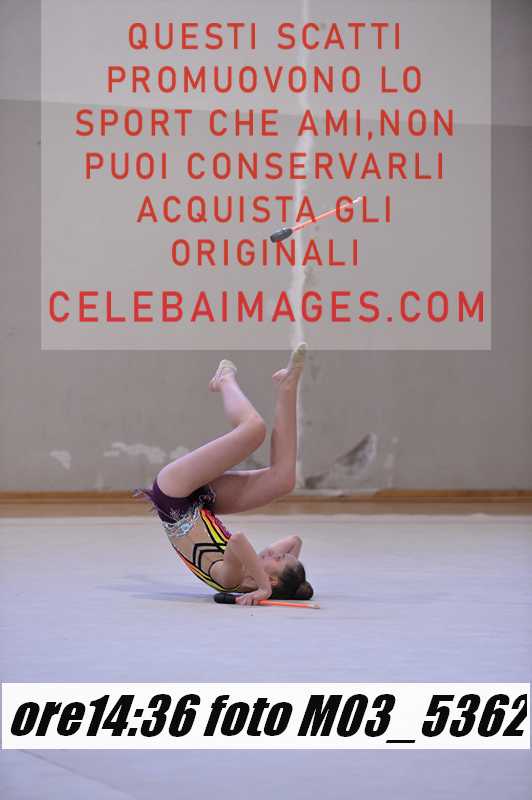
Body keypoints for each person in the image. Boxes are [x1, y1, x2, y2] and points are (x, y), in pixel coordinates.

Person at [134, 344, 313, 606]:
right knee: (283, 480)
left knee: (254, 431)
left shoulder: (232, 579)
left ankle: (225, 380)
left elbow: (238, 540)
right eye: (282, 555)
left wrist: (263, 588)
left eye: (279, 558)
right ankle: (287, 387)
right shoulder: (259, 571)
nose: (276, 551)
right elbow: (294, 541)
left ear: (272, 579)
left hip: (174, 493)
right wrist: (289, 580)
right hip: (202, 505)